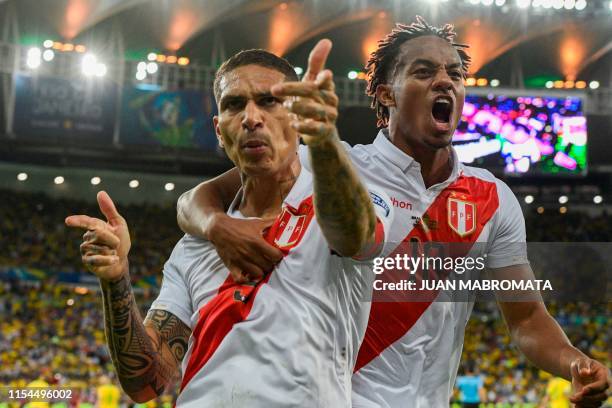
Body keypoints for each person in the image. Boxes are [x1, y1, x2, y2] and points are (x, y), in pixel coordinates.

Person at [176, 16, 610, 408]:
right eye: (424, 71)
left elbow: (528, 318)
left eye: (454, 74)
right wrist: (216, 225)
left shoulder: (493, 198)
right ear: (386, 94)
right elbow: (198, 197)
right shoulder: (329, 165)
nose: (445, 81)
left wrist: (574, 362)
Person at [66, 45, 395, 407]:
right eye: (234, 104)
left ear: (297, 117)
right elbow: (146, 382)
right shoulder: (195, 246)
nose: (251, 117)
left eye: (269, 101)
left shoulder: (341, 206)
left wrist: (323, 139)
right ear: (219, 131)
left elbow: (359, 238)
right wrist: (116, 280)